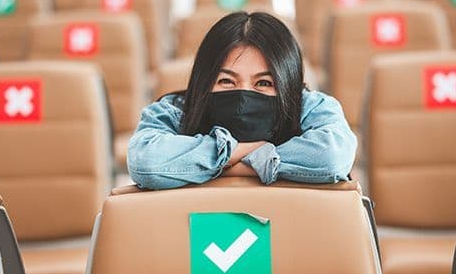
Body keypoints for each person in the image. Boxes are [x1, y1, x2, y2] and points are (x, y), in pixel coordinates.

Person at [127, 11, 356, 190]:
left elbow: (333, 157)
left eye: (264, 83)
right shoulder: (177, 109)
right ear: (205, 80)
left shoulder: (308, 106)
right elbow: (146, 161)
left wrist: (221, 165)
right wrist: (252, 151)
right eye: (227, 81)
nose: (243, 96)